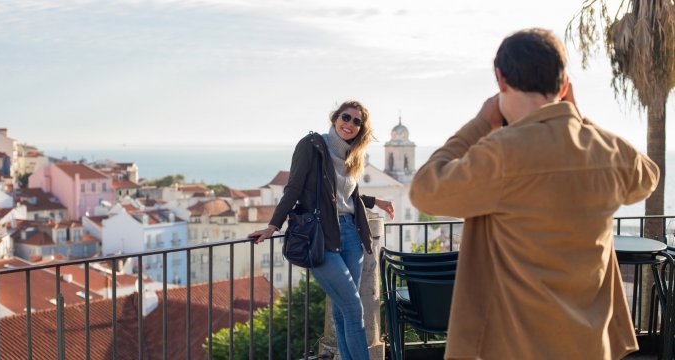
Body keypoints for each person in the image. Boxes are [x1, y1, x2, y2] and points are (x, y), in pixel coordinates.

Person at [410, 28, 659, 360]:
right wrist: (580, 119)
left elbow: (426, 189)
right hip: (591, 345)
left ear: (500, 79)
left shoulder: (501, 153)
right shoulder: (605, 151)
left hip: (518, 346)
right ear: (564, 85)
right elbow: (647, 176)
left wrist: (480, 123)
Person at [250, 100, 394, 360]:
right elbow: (293, 188)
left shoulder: (353, 156)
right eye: (346, 117)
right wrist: (274, 225)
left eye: (356, 121)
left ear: (361, 129)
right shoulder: (313, 146)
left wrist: (376, 202)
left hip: (351, 233)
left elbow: (345, 195)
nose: (349, 124)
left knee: (342, 311)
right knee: (353, 308)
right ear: (335, 118)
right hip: (320, 236)